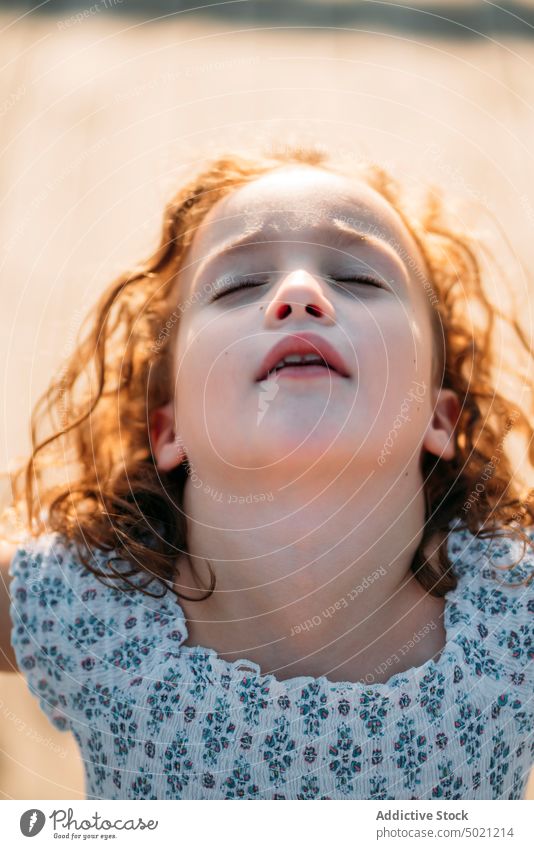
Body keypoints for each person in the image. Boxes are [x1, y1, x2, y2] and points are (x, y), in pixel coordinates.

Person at [1, 143, 533, 800]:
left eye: (361, 279)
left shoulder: (518, 614)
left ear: (438, 415)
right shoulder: (89, 606)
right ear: (166, 428)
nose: (301, 294)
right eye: (238, 284)